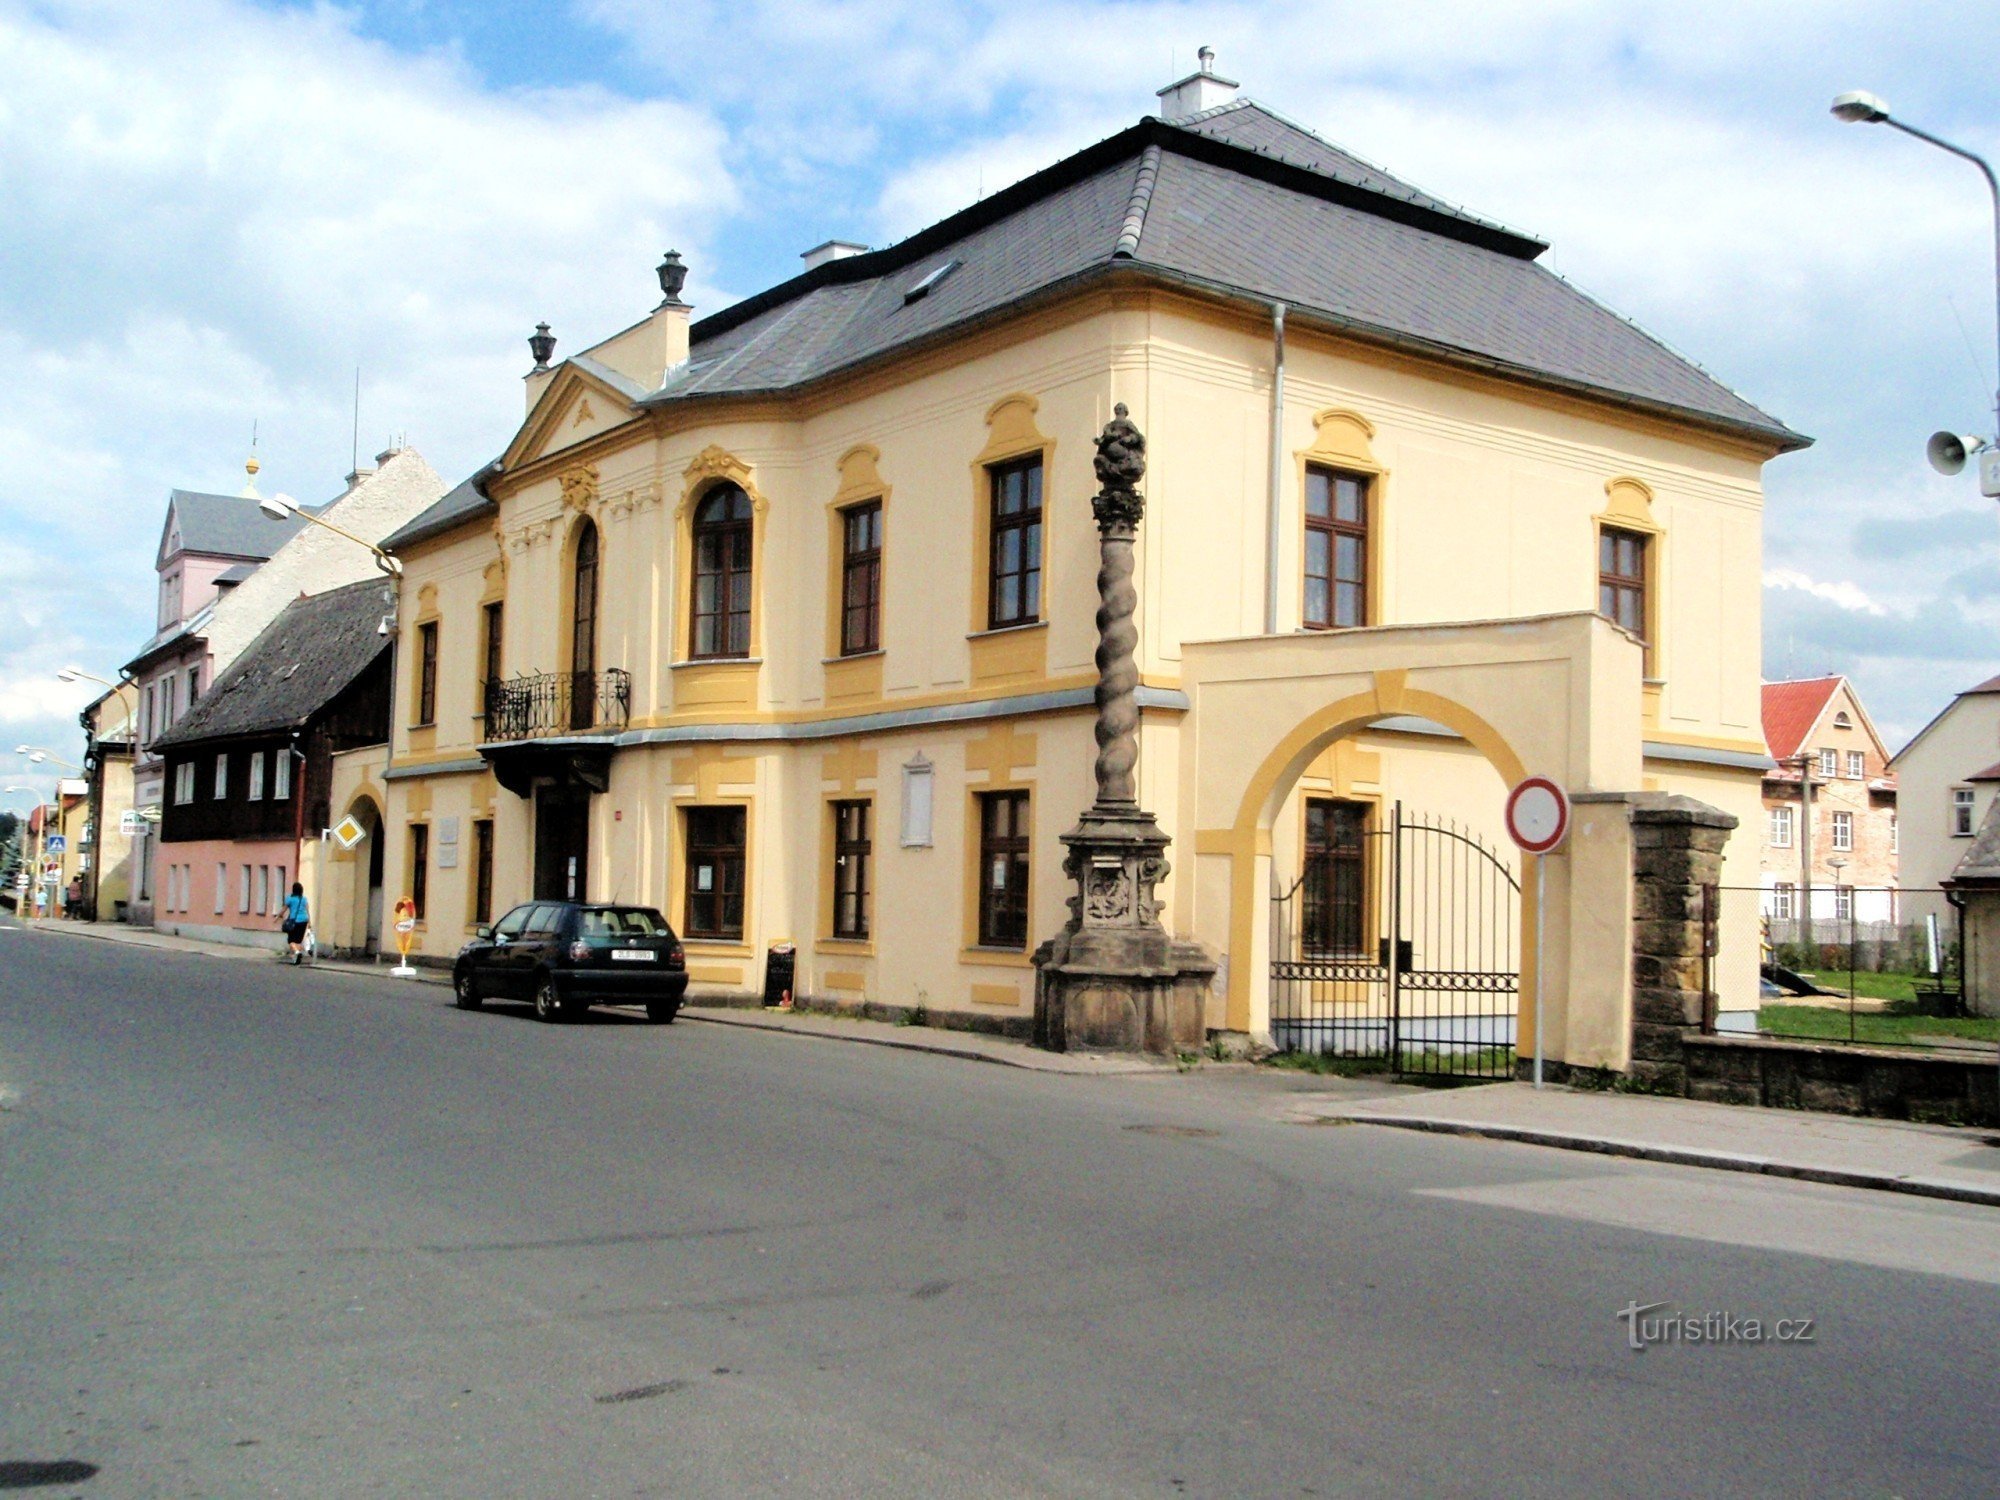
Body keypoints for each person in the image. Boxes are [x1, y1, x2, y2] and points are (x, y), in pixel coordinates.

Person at [282, 882, 311, 965]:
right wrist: (309, 922)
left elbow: (284, 909)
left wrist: (277, 917)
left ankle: (297, 953)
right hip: (304, 921)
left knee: (291, 941)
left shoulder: (290, 899)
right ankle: (296, 957)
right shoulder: (304, 899)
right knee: (298, 941)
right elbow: (307, 910)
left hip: (294, 922)